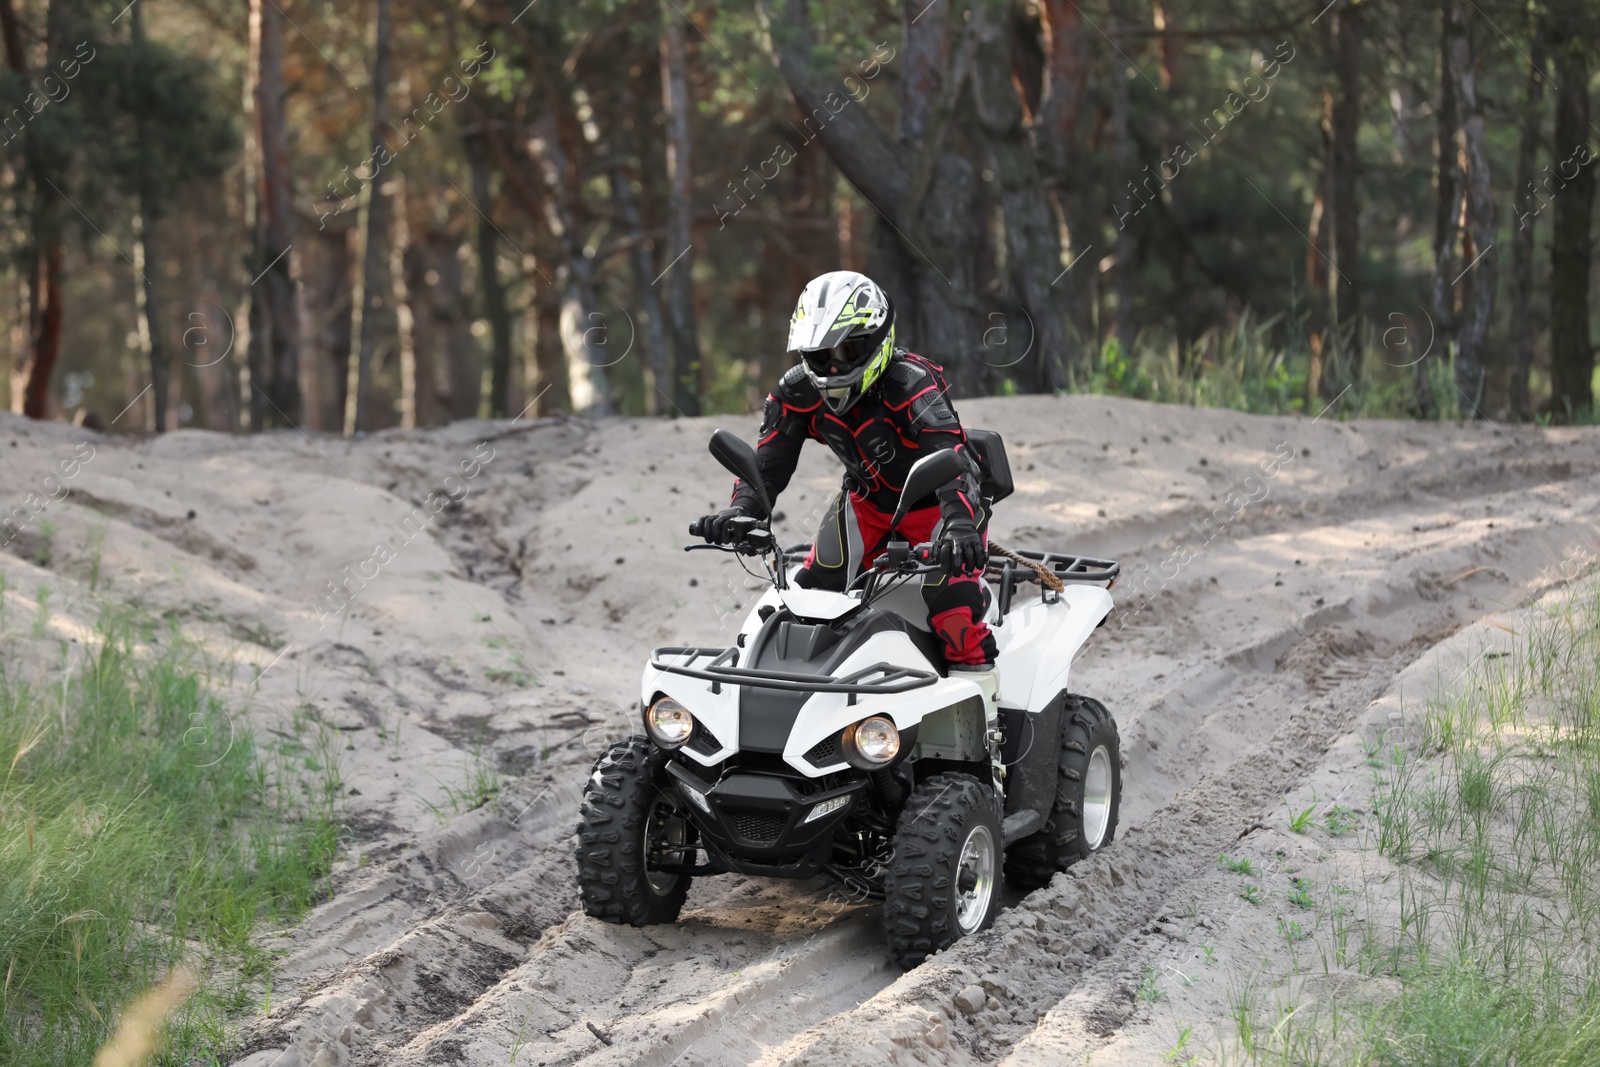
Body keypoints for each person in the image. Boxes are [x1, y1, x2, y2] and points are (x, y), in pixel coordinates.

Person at [695, 270, 998, 703]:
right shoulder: (796, 391)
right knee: (808, 606)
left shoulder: (913, 383)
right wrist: (742, 511)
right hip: (865, 503)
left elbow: (953, 457)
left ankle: (989, 741)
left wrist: (960, 527)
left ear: (878, 340)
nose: (834, 366)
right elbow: (768, 465)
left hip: (940, 511)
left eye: (848, 350)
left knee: (956, 618)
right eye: (821, 355)